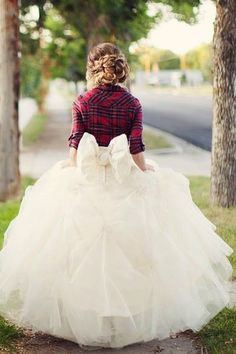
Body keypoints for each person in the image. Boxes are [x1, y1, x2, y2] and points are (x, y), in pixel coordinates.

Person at [0, 42, 233, 349]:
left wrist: (76, 165)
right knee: (137, 251)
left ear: (93, 69)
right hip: (123, 178)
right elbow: (136, 150)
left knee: (78, 251)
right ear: (121, 71)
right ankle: (129, 320)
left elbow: (74, 152)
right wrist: (145, 169)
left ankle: (82, 318)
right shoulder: (133, 104)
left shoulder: (82, 101)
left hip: (90, 177)